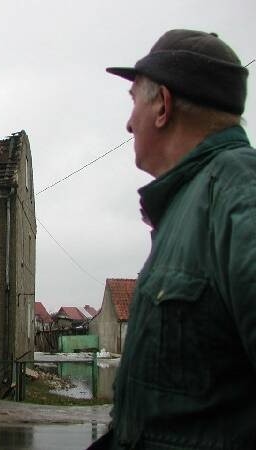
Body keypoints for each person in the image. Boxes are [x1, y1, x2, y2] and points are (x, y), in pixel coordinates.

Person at [95, 30, 254, 449]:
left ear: (162, 105)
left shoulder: (239, 194)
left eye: (134, 102)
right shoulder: (190, 205)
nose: (129, 123)